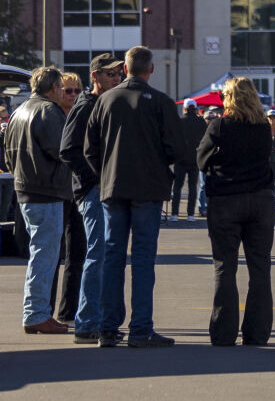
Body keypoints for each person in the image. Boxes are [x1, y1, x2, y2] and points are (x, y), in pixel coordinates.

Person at [84, 45, 185, 348]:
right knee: (143, 258)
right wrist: (158, 167)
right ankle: (140, 328)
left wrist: (105, 172)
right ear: (150, 69)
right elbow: (177, 148)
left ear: (125, 69)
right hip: (148, 189)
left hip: (113, 188)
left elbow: (89, 149)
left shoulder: (105, 100)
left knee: (112, 256)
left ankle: (107, 328)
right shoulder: (161, 102)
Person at [197, 77, 275, 346]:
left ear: (228, 99)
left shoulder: (220, 125)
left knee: (225, 266)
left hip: (226, 199)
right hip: (260, 199)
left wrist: (220, 160)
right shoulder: (263, 127)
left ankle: (223, 331)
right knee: (260, 267)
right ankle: (257, 332)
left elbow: (201, 160)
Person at [3, 66, 71, 335]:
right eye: (61, 87)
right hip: (46, 191)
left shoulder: (19, 110)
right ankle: (36, 313)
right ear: (53, 87)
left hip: (25, 190)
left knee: (40, 253)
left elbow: (7, 156)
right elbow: (62, 150)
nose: (63, 92)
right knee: (45, 255)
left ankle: (36, 312)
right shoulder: (48, 111)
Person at [59, 53, 122, 344]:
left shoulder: (105, 103)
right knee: (97, 254)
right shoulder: (85, 105)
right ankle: (86, 323)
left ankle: (98, 320)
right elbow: (68, 150)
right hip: (92, 190)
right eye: (110, 74)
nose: (116, 78)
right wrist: (95, 178)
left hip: (103, 189)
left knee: (103, 254)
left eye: (118, 73)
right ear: (95, 76)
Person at [52, 72, 85, 329]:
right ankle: (44, 311)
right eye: (68, 90)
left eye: (76, 90)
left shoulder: (81, 115)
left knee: (77, 253)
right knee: (53, 254)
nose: (73, 95)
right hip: (55, 191)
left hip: (77, 191)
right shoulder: (52, 116)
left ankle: (68, 310)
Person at [171, 103, 205, 221]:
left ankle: (174, 214)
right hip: (195, 158)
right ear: (195, 108)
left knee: (177, 187)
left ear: (184, 109)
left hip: (180, 158)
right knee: (192, 187)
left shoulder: (179, 121)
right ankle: (190, 214)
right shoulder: (201, 122)